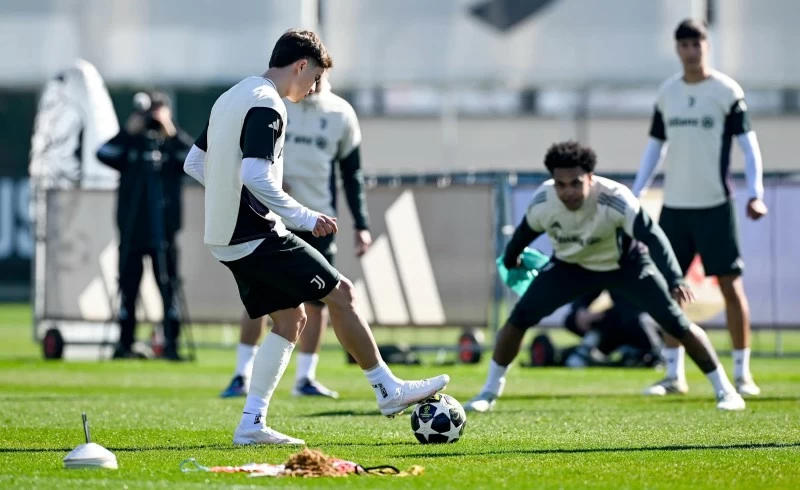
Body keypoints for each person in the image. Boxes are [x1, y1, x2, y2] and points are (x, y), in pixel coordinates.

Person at [182, 29, 448, 445]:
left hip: (225, 237)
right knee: (342, 293)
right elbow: (254, 173)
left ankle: (252, 423)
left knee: (292, 319)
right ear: (301, 66)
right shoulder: (268, 103)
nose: (313, 88)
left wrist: (228, 199)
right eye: (315, 78)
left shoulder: (232, 95)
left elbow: (195, 163)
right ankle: (387, 390)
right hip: (255, 232)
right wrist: (302, 216)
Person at [464, 141, 745, 413]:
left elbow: (653, 236)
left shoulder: (616, 198)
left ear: (590, 177)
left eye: (575, 183)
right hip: (571, 267)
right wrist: (511, 257)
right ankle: (488, 392)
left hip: (624, 266)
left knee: (676, 322)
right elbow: (524, 234)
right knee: (518, 319)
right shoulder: (544, 200)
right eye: (561, 184)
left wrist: (674, 278)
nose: (568, 191)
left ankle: (726, 391)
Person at [632, 19, 766, 397]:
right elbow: (655, 148)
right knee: (668, 289)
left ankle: (742, 374)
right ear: (677, 49)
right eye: (685, 45)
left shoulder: (727, 91)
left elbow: (749, 147)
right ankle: (673, 375)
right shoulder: (668, 93)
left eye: (698, 44)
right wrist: (636, 192)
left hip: (714, 206)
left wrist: (756, 193)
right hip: (675, 209)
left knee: (730, 286)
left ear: (707, 46)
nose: (692, 51)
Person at [219, 73, 371, 399]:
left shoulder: (341, 113)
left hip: (319, 219)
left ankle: (305, 378)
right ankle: (241, 375)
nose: (312, 83)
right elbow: (247, 159)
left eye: (319, 75)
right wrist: (268, 185)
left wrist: (362, 224)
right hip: (272, 218)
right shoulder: (275, 103)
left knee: (319, 301)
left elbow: (352, 173)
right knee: (261, 302)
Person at [96, 91, 192, 361]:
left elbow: (195, 159)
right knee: (128, 287)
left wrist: (170, 130)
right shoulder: (131, 144)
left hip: (165, 230)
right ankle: (125, 343)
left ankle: (172, 344)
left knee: (168, 286)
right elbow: (103, 154)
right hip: (132, 229)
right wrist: (128, 132)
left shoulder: (170, 146)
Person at [560, 289, 663, 368]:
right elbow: (589, 291)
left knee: (639, 321)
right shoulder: (613, 270)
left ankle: (652, 355)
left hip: (645, 323)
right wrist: (581, 309)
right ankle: (591, 350)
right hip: (618, 322)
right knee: (572, 319)